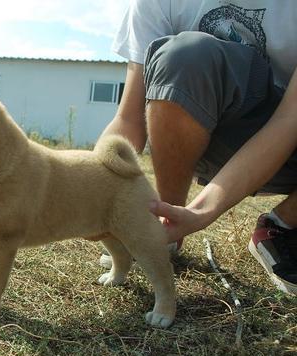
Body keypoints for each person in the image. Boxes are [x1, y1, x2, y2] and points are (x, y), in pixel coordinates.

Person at [100, 0, 297, 294]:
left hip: (286, 147)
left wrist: (204, 211)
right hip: (200, 135)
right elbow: (129, 119)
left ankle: (283, 227)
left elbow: (288, 120)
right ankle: (166, 224)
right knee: (185, 56)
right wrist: (91, 189)